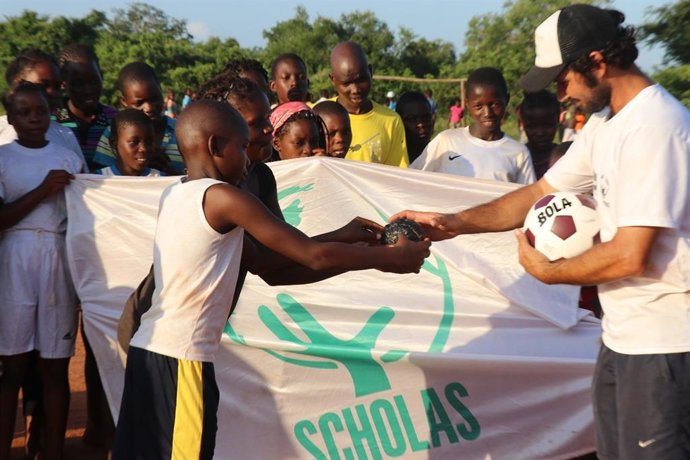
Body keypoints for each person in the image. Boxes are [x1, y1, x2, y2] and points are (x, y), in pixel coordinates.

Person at [395, 5, 690, 458]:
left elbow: (633, 254)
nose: (560, 91)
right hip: (622, 337)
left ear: (596, 60)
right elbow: (539, 191)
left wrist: (550, 272)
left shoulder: (655, 127)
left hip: (665, 344)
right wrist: (451, 224)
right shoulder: (605, 124)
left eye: (562, 77)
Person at [112, 100, 430, 459]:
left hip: (148, 352)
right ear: (216, 146)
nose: (250, 159)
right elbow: (312, 257)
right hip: (182, 362)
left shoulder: (176, 195)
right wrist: (389, 258)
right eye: (242, 146)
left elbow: (272, 266)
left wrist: (342, 236)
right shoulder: (224, 197)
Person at [0, 82, 83, 460]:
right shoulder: (2, 158)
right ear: (11, 116)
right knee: (12, 364)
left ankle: (53, 451)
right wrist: (42, 190)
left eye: (41, 110)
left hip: (58, 256)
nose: (34, 118)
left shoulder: (67, 157)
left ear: (51, 112)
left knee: (55, 363)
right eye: (24, 112)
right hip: (14, 257)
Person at [411, 67, 536, 185]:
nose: (487, 113)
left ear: (506, 100)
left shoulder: (518, 153)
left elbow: (528, 201)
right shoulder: (446, 142)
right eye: (478, 106)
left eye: (494, 104)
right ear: (467, 104)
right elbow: (412, 179)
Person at [329, 41, 409, 167]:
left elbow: (397, 175)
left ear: (370, 72)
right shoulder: (318, 116)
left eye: (361, 80)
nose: (355, 90)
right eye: (346, 83)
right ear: (333, 79)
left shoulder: (390, 121)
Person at [93, 62, 182, 175]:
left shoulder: (180, 131)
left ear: (161, 91)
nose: (149, 107)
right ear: (124, 102)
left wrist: (166, 173)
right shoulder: (113, 133)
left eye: (155, 98)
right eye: (139, 103)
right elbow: (101, 180)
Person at [54, 44, 117, 172]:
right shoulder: (52, 120)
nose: (88, 90)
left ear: (102, 77)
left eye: (94, 81)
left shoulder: (115, 120)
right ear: (62, 83)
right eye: (78, 83)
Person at [95, 109, 163, 177]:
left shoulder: (161, 180)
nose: (143, 148)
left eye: (149, 142)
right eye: (134, 142)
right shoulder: (96, 181)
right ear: (113, 142)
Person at [517, 90, 560, 179]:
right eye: (532, 126)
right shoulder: (516, 158)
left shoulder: (566, 158)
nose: (540, 133)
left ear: (558, 120)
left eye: (547, 125)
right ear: (522, 123)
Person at [395, 91, 435, 164]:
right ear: (399, 122)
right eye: (412, 119)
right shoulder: (392, 159)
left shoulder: (442, 155)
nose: (421, 124)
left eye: (426, 118)